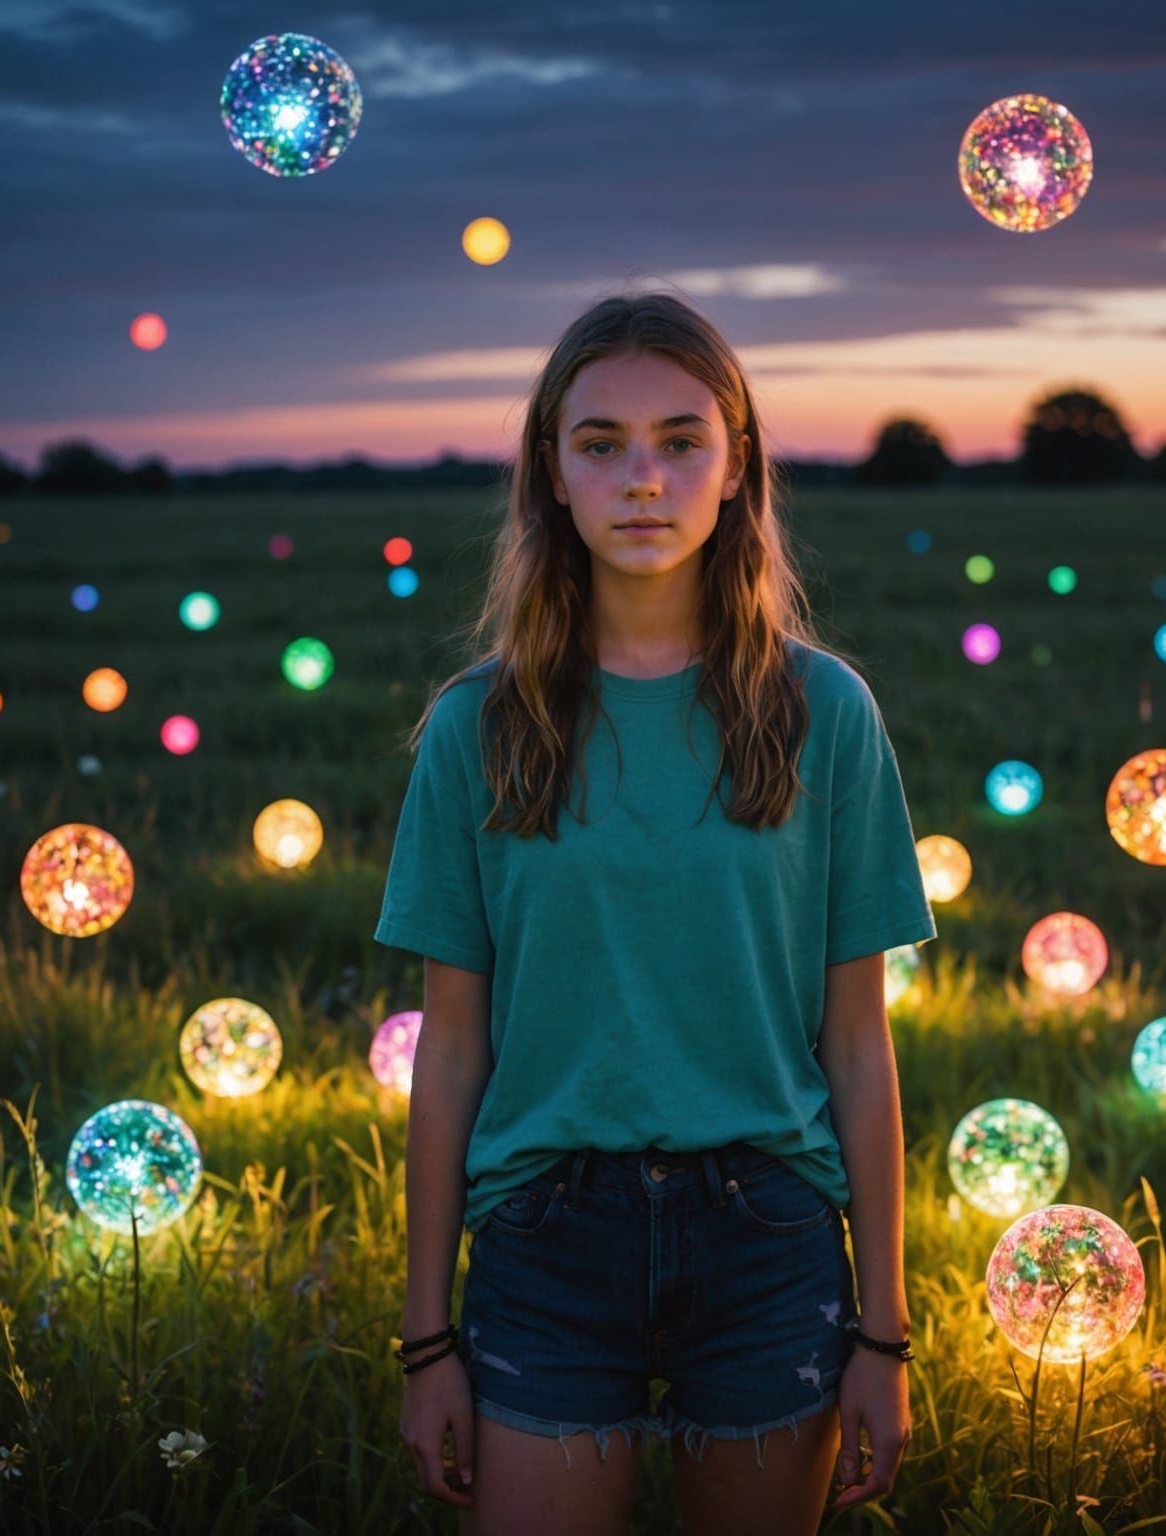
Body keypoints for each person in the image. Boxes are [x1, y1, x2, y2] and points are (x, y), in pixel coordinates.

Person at [377, 289, 936, 1535]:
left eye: (682, 441)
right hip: (545, 1235)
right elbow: (451, 1052)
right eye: (602, 443)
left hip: (769, 1233)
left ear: (736, 466)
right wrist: (427, 1342)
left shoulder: (824, 714)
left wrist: (884, 1334)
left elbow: (857, 1045)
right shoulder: (477, 728)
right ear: (551, 470)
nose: (643, 478)